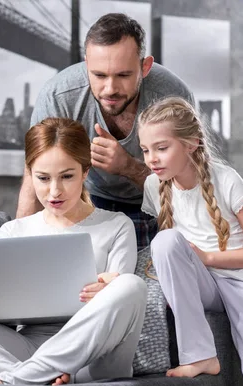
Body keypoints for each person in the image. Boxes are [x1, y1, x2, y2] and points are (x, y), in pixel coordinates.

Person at [0, 117, 147, 385]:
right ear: (30, 174)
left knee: (130, 285)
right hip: (24, 349)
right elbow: (0, 318)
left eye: (67, 176)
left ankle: (11, 380)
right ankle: (30, 377)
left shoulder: (116, 225)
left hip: (93, 360)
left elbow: (121, 310)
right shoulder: (12, 231)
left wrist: (107, 290)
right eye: (43, 178)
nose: (54, 191)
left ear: (85, 172)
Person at [138, 96, 243, 386]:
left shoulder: (226, 179)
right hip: (202, 283)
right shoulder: (154, 186)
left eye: (161, 148)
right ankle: (199, 354)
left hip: (241, 280)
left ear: (191, 143)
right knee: (164, 240)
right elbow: (172, 257)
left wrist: (208, 257)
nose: (151, 158)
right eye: (145, 150)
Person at [17, 13, 194, 251]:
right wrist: (16, 246)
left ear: (145, 67)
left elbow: (189, 186)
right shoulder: (59, 96)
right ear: (86, 65)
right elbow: (33, 174)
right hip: (89, 204)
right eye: (99, 75)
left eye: (123, 75)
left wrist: (128, 167)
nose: (110, 89)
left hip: (165, 207)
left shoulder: (172, 97)